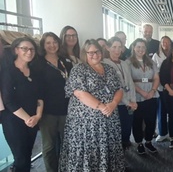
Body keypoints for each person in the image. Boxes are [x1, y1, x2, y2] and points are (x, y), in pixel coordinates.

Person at [59, 39, 124, 171]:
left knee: (108, 147)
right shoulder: (79, 69)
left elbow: (119, 89)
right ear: (85, 53)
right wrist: (101, 107)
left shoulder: (109, 68)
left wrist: (113, 104)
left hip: (109, 118)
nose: (95, 55)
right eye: (91, 52)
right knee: (88, 150)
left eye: (97, 51)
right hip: (86, 123)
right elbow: (79, 93)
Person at [1, 37, 43, 172]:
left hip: (33, 120)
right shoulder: (8, 71)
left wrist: (38, 116)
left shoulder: (35, 71)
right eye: (24, 48)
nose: (29, 52)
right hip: (14, 120)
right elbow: (8, 100)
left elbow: (40, 96)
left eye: (31, 49)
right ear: (16, 50)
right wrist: (27, 118)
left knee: (27, 156)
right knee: (20, 158)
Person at [36, 32, 73, 172]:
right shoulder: (38, 63)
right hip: (47, 111)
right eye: (48, 43)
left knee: (67, 143)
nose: (52, 45)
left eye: (54, 42)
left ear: (59, 43)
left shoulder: (66, 61)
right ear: (43, 45)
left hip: (67, 109)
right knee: (49, 146)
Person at [103, 37, 137, 149]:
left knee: (127, 130)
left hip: (129, 103)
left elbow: (130, 83)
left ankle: (125, 155)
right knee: (117, 133)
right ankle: (119, 162)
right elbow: (113, 88)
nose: (117, 50)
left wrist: (133, 100)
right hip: (116, 103)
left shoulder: (124, 63)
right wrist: (127, 102)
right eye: (114, 47)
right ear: (108, 48)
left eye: (119, 47)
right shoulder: (105, 64)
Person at [128, 38, 160, 154]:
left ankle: (148, 141)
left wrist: (153, 90)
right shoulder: (128, 62)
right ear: (134, 48)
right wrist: (142, 92)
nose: (141, 49)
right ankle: (139, 143)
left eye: (143, 47)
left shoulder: (151, 62)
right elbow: (129, 81)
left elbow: (156, 78)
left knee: (151, 120)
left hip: (151, 95)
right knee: (137, 120)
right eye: (138, 47)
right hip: (136, 96)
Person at [153, 36, 172, 142]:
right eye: (163, 42)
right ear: (160, 43)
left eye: (167, 42)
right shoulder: (156, 55)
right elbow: (154, 71)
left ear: (170, 43)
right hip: (160, 87)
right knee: (162, 111)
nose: (165, 43)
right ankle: (163, 133)